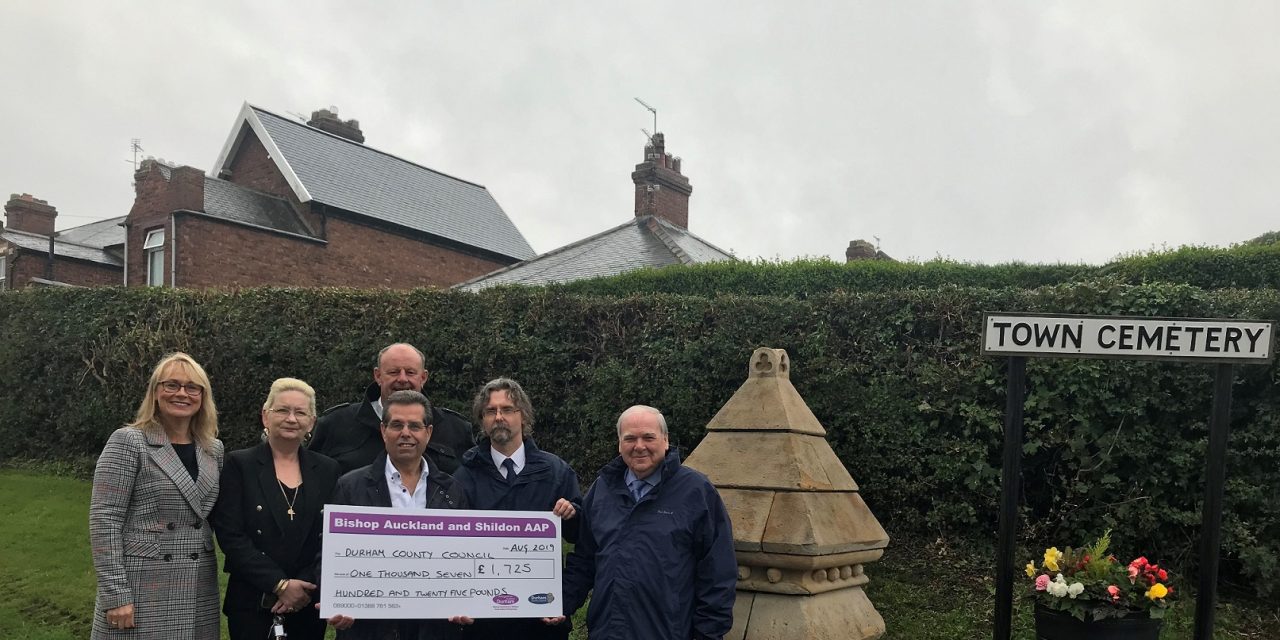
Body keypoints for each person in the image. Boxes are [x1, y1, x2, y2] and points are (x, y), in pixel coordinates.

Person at [559, 405, 737, 640]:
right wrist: (559, 604)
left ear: (665, 440)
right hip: (607, 632)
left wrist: (708, 634)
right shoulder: (602, 490)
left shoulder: (696, 492)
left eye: (648, 437)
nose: (639, 446)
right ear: (619, 443)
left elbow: (718, 573)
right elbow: (585, 561)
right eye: (630, 438)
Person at [89, 352, 225, 639]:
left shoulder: (213, 449)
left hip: (198, 582)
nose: (182, 393)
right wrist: (116, 595)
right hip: (142, 585)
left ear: (203, 396)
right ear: (155, 392)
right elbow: (105, 521)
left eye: (192, 387)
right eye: (171, 385)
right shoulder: (129, 442)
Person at [324, 389, 472, 639]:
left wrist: (465, 600)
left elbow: (467, 556)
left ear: (429, 432)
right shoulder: (350, 486)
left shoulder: (452, 489)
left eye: (415, 425)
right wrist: (336, 599)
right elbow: (328, 553)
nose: (406, 433)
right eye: (397, 425)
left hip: (434, 627)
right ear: (383, 431)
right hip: (370, 627)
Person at [451, 378, 581, 640]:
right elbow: (451, 551)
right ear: (482, 420)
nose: (499, 417)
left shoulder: (556, 472)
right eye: (491, 411)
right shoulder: (463, 477)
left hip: (541, 624)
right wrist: (457, 602)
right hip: (483, 626)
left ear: (523, 416)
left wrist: (573, 514)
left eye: (508, 409)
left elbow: (582, 542)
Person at [212, 378, 341, 640]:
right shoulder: (239, 465)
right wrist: (279, 585)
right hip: (253, 602)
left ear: (312, 422)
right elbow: (230, 535)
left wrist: (302, 588)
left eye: (300, 412)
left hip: (307, 601)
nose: (291, 419)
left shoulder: (328, 469)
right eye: (282, 410)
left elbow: (332, 536)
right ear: (265, 416)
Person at [310, 343, 474, 475]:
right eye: (394, 372)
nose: (402, 379)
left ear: (423, 377)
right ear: (378, 375)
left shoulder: (456, 429)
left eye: (410, 372)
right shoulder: (335, 424)